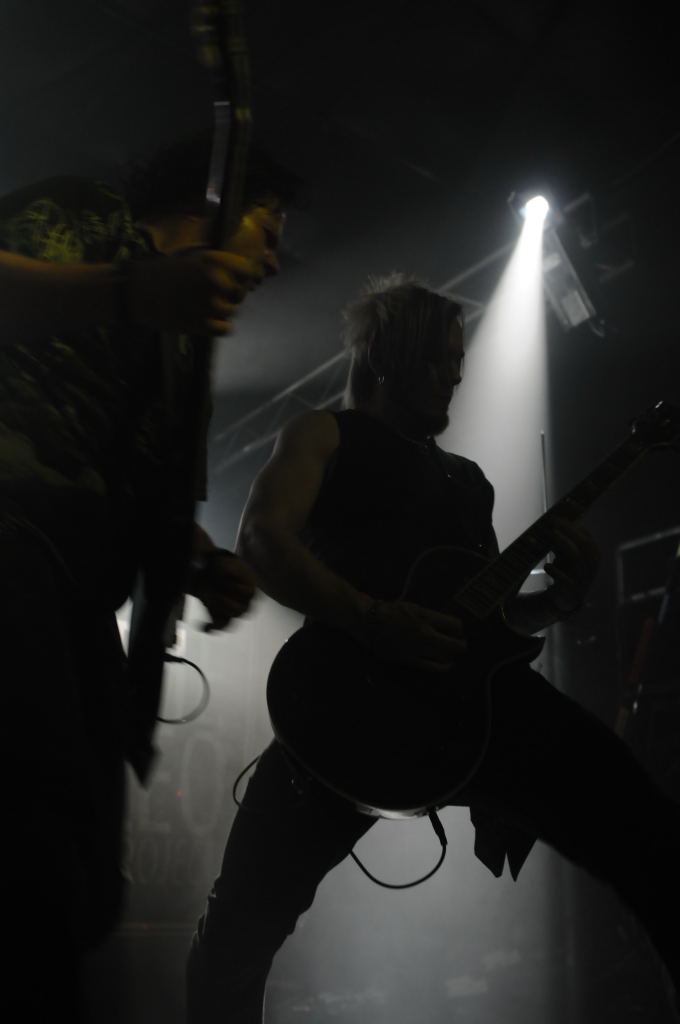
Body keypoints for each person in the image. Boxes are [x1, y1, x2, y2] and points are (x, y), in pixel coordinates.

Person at [186, 273, 680, 1022]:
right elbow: (260, 541)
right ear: (389, 357)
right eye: (441, 358)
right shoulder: (324, 434)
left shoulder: (468, 482)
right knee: (236, 933)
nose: (457, 373)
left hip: (473, 718)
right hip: (341, 709)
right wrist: (371, 617)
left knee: (645, 833)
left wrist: (558, 600)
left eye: (460, 359)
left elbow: (489, 628)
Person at [0, 136, 294, 1020]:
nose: (274, 259)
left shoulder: (179, 364)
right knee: (36, 848)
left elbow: (139, 494)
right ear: (216, 197)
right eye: (269, 227)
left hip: (75, 602)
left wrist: (200, 562)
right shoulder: (89, 214)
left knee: (86, 888)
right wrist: (131, 290)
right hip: (10, 537)